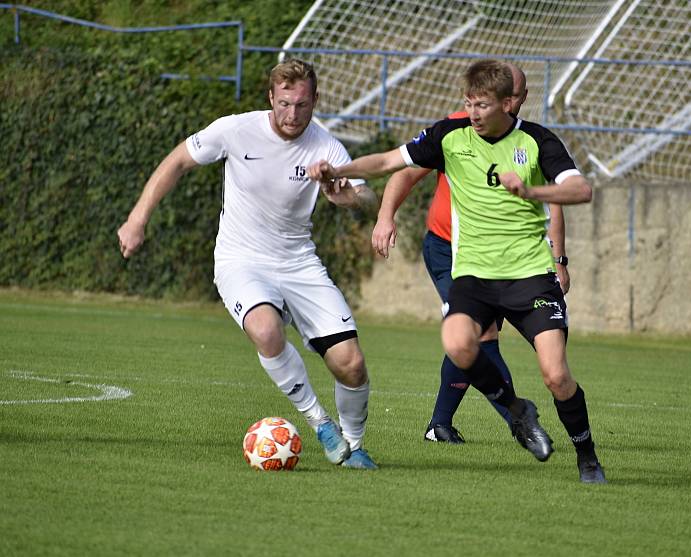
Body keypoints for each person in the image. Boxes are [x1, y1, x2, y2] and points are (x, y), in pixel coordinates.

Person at [310, 59, 605, 483]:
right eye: (468, 103)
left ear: (508, 104)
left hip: (530, 275)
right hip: (475, 276)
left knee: (557, 376)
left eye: (483, 105)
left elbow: (581, 190)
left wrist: (530, 190)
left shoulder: (538, 141)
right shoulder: (449, 136)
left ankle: (587, 457)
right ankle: (518, 410)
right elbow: (389, 163)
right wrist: (338, 170)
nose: (474, 113)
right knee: (457, 343)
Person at [117, 59, 378, 470]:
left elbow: (367, 200)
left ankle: (354, 446)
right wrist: (137, 219)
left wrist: (347, 197)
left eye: (303, 105)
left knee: (351, 363)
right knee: (265, 330)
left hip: (299, 263)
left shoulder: (326, 147)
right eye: (285, 103)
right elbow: (177, 161)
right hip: (241, 259)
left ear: (315, 102)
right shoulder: (235, 130)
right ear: (271, 99)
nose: (293, 115)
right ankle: (319, 422)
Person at [371, 64, 571, 444]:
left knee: (474, 337)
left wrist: (558, 259)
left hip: (507, 257)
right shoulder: (457, 129)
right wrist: (385, 216)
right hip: (449, 250)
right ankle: (517, 418)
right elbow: (404, 170)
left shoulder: (528, 141)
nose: (514, 102)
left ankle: (441, 425)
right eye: (508, 94)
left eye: (519, 96)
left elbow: (553, 203)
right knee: (480, 334)